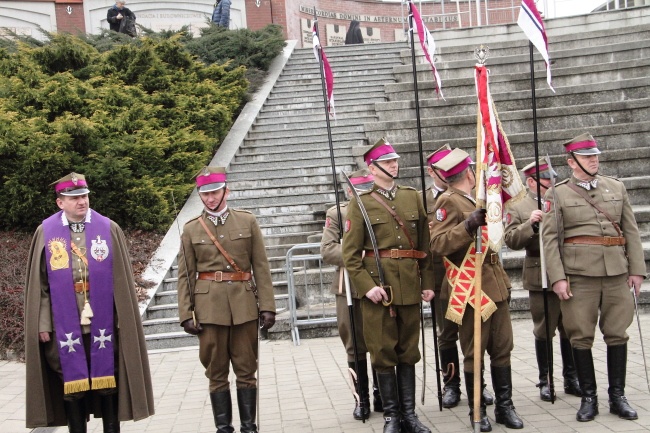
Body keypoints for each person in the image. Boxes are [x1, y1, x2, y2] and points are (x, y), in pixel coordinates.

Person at [24, 172, 155, 432]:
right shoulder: (46, 232)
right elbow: (41, 287)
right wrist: (42, 323)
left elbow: (121, 281)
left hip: (104, 321)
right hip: (64, 325)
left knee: (108, 383)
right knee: (72, 386)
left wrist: (122, 320)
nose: (81, 202)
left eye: (84, 196)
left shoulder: (108, 228)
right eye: (73, 198)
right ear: (60, 202)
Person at [541, 133, 646, 422]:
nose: (594, 159)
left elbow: (631, 231)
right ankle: (589, 398)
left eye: (595, 155)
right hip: (579, 276)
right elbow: (550, 240)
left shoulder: (616, 187)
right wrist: (558, 277)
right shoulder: (558, 193)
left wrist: (637, 269)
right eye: (587, 156)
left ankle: (617, 396)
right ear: (571, 162)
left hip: (616, 272)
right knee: (581, 335)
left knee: (617, 332)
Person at [342, 138, 435, 433]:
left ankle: (409, 414)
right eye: (388, 162)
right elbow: (350, 255)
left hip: (408, 285)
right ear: (372, 168)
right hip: (378, 291)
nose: (394, 165)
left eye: (395, 160)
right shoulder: (361, 204)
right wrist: (366, 287)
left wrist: (428, 282)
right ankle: (392, 416)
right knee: (382, 351)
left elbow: (425, 247)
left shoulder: (412, 197)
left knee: (408, 351)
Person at [430, 149, 523, 432]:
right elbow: (438, 243)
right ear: (469, 173)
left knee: (502, 347)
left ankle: (505, 407)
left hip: (494, 281)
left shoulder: (476, 199)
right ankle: (477, 411)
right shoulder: (448, 200)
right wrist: (467, 226)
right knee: (474, 351)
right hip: (470, 287)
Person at [177, 166, 276, 433]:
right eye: (205, 193)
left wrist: (268, 306)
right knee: (216, 372)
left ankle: (248, 427)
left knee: (246, 369)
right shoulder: (190, 229)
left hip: (244, 306)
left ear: (226, 191)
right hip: (209, 310)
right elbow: (185, 275)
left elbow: (261, 266)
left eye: (215, 192)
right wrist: (186, 314)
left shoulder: (247, 221)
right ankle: (223, 428)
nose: (210, 198)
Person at [423, 144, 494, 409]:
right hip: (444, 275)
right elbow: (426, 243)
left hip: (473, 274)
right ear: (433, 172)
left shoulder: (472, 197)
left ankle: (480, 385)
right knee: (448, 332)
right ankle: (451, 384)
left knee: (474, 333)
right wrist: (426, 281)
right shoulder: (423, 200)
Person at [504, 160, 581, 402]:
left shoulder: (563, 198)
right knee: (544, 329)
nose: (551, 183)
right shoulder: (518, 207)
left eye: (552, 178)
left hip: (567, 269)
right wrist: (531, 224)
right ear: (531, 182)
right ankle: (545, 380)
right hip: (540, 272)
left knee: (570, 327)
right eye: (546, 179)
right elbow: (511, 240)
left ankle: (572, 378)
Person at [320, 169, 382, 421]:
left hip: (379, 284)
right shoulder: (338, 213)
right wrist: (357, 250)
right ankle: (362, 398)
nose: (364, 193)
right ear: (348, 192)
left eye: (369, 187)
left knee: (381, 341)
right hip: (349, 287)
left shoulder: (382, 209)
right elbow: (327, 250)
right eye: (358, 190)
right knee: (354, 346)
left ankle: (383, 395)